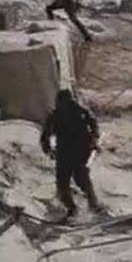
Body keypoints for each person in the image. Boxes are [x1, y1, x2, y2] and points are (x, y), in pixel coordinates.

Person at [40, 89, 105, 219]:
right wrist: (49, 150)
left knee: (73, 179)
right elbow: (45, 137)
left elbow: (93, 124)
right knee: (70, 181)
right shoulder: (63, 114)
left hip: (75, 150)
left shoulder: (74, 112)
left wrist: (94, 139)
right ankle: (78, 207)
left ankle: (86, 205)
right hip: (71, 151)